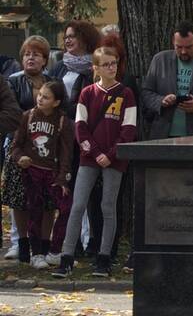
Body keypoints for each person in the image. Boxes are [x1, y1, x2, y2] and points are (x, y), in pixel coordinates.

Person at [51, 46, 136, 278]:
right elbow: (80, 127)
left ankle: (104, 258)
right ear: (95, 68)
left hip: (114, 159)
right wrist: (96, 152)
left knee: (108, 207)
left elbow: (128, 130)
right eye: (106, 64)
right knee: (78, 206)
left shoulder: (126, 93)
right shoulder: (87, 92)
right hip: (90, 158)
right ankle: (66, 257)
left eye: (114, 63)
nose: (112, 67)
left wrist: (110, 154)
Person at [11, 82, 73, 270]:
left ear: (56, 102)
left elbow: (66, 153)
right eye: (40, 95)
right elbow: (16, 145)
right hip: (32, 172)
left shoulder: (62, 121)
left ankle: (54, 251)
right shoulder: (27, 116)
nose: (40, 99)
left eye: (46, 97)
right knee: (34, 211)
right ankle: (36, 253)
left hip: (53, 174)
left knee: (65, 208)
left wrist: (62, 178)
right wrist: (20, 157)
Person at [4, 37, 54, 264]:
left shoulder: (53, 82)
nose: (30, 58)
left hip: (46, 147)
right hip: (18, 144)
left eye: (36, 54)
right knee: (19, 196)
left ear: (45, 59)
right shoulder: (12, 81)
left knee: (46, 198)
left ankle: (43, 246)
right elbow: (11, 114)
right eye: (26, 54)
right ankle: (21, 245)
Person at [47, 21, 100, 122]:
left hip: (88, 123)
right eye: (66, 37)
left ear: (85, 38)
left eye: (71, 36)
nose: (67, 41)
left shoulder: (98, 65)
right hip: (60, 122)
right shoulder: (59, 66)